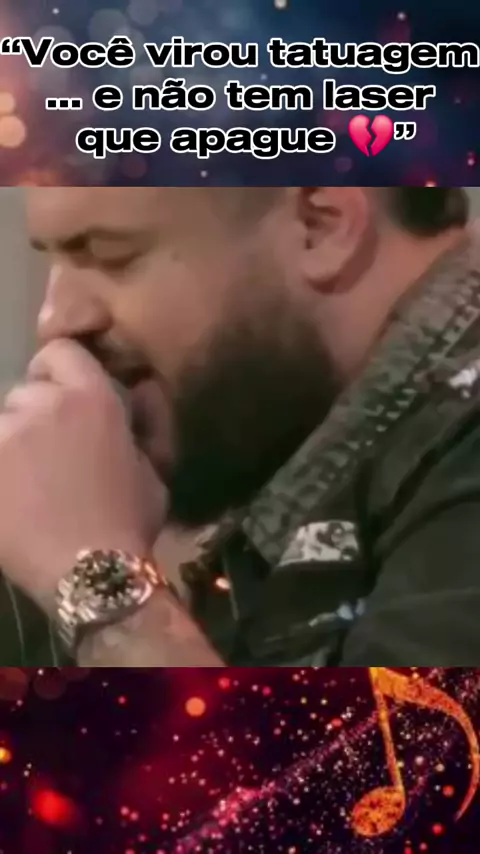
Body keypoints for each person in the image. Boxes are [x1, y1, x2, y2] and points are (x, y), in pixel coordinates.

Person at [0, 186, 478, 667]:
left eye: (112, 256)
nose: (55, 321)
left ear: (320, 226)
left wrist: (92, 578)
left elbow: (405, 722)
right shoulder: (287, 424)